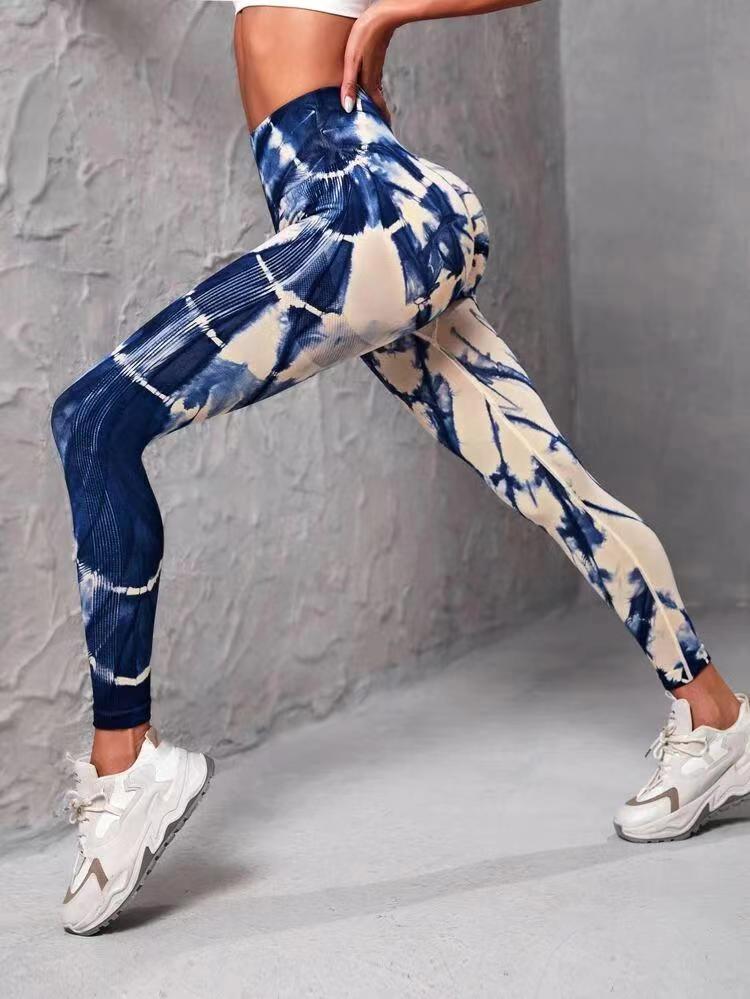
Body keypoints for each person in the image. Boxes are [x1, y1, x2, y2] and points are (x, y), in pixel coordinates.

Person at [51, 0, 750, 936]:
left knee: (93, 421)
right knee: (550, 480)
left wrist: (390, 15)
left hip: (364, 212)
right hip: (377, 218)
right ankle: (717, 718)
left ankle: (124, 764)